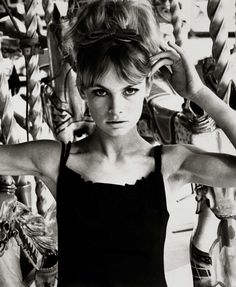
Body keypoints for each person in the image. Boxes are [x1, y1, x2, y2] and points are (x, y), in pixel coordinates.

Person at [1, 0, 236, 286]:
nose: (116, 109)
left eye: (129, 90)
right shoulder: (53, 160)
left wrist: (198, 92)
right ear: (82, 89)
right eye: (101, 91)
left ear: (147, 86)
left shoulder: (171, 163)